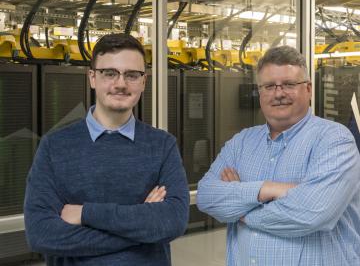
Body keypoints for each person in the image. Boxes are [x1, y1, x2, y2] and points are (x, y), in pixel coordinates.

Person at [24, 33, 189, 266]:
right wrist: (142, 228)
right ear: (92, 77)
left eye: (132, 75)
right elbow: (41, 233)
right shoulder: (55, 146)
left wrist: (85, 214)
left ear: (144, 82)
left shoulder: (162, 145)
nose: (120, 84)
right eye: (109, 73)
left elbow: (172, 222)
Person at [197, 45, 360, 265]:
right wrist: (267, 189)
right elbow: (207, 196)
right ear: (260, 91)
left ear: (309, 89)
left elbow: (312, 213)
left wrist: (242, 211)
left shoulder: (334, 140)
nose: (279, 93)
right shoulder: (242, 142)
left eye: (289, 84)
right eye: (269, 86)